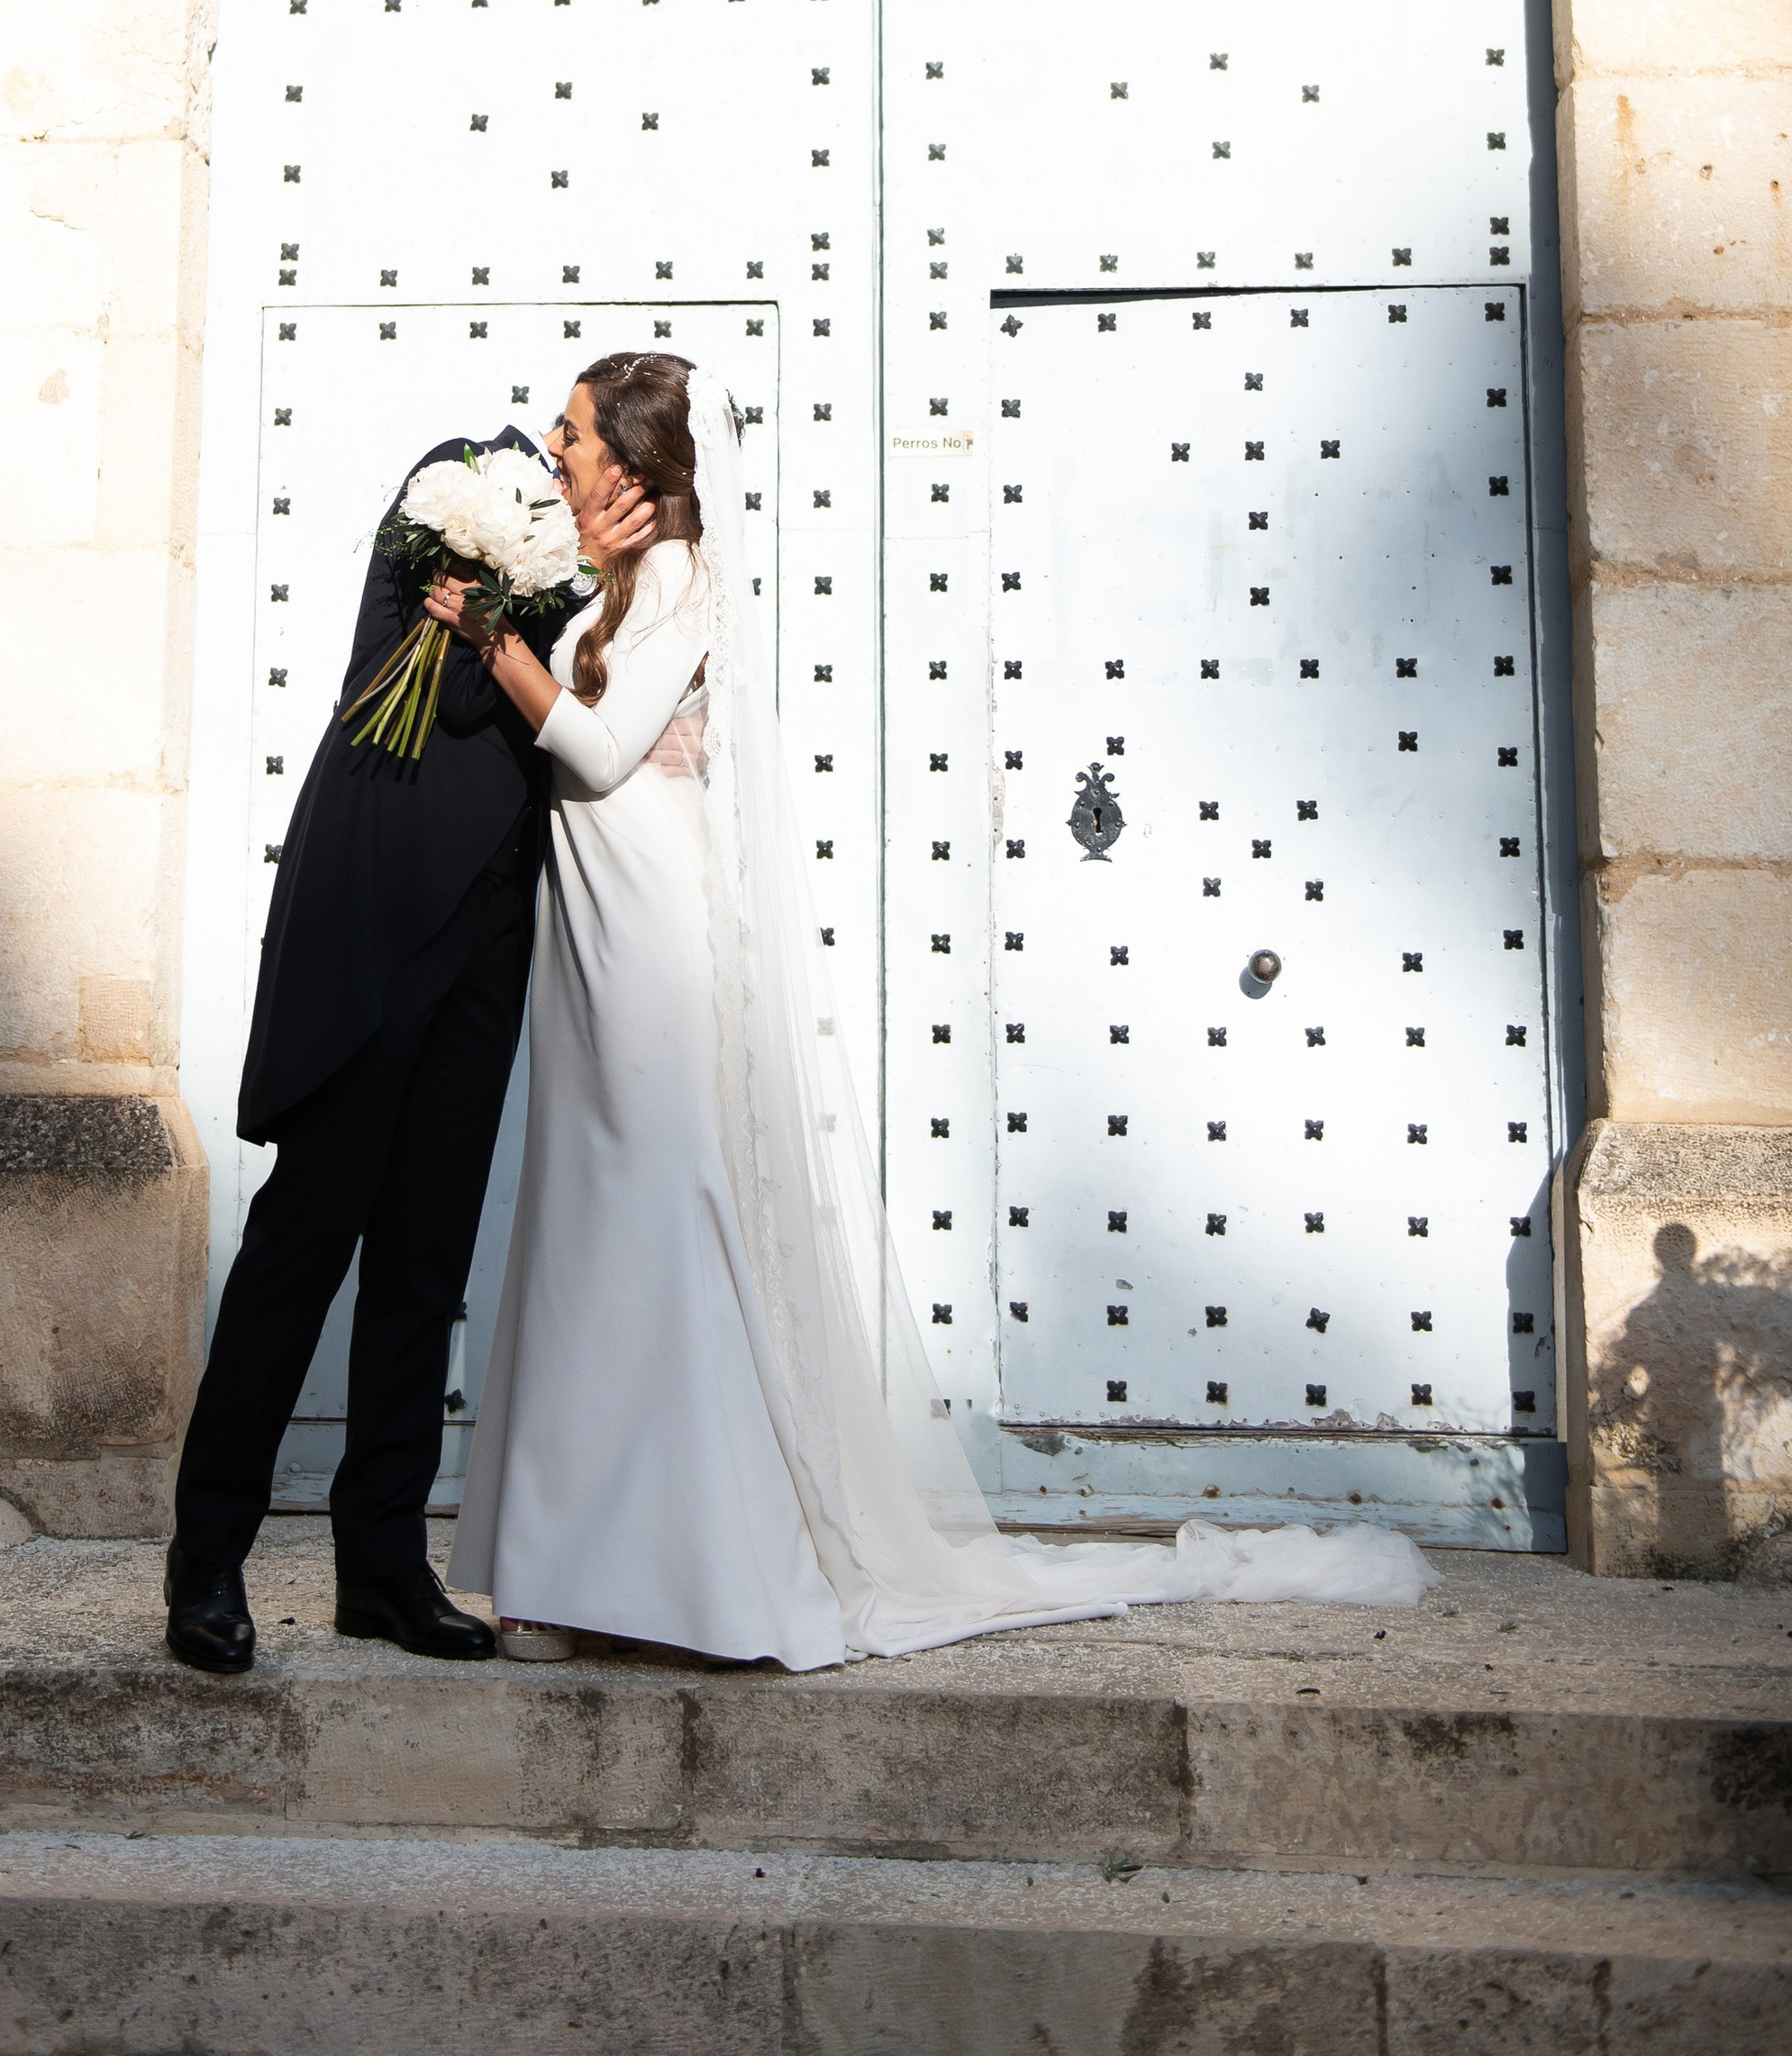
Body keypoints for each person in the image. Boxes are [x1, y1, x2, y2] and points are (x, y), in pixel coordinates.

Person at [438, 353, 1431, 1668]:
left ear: (630, 465)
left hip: (653, 942)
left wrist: (495, 641)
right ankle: (579, 1563)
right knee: (591, 1225)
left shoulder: (687, 579)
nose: (550, 452)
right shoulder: (626, 582)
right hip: (602, 925)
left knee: (651, 1223)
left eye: (569, 436)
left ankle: (680, 1569)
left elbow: (602, 750)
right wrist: (547, 605)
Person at [164, 420, 653, 1675]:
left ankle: (380, 1567)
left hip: (490, 926)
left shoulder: (618, 579)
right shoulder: (465, 482)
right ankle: (207, 1559)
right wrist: (540, 572)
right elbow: (441, 683)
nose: (595, 477)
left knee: (427, 1260)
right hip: (381, 906)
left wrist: (603, 578)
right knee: (305, 1239)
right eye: (593, 449)